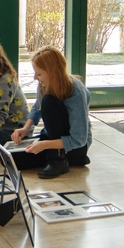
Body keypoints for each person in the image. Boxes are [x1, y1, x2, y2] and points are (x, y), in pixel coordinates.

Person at [11, 45, 92, 179]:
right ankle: (59, 157)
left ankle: (59, 159)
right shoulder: (44, 84)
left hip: (75, 146)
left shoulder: (76, 91)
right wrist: (26, 128)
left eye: (39, 74)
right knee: (14, 158)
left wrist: (44, 145)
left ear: (52, 72)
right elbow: (38, 107)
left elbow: (79, 139)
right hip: (52, 138)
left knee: (48, 101)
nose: (35, 77)